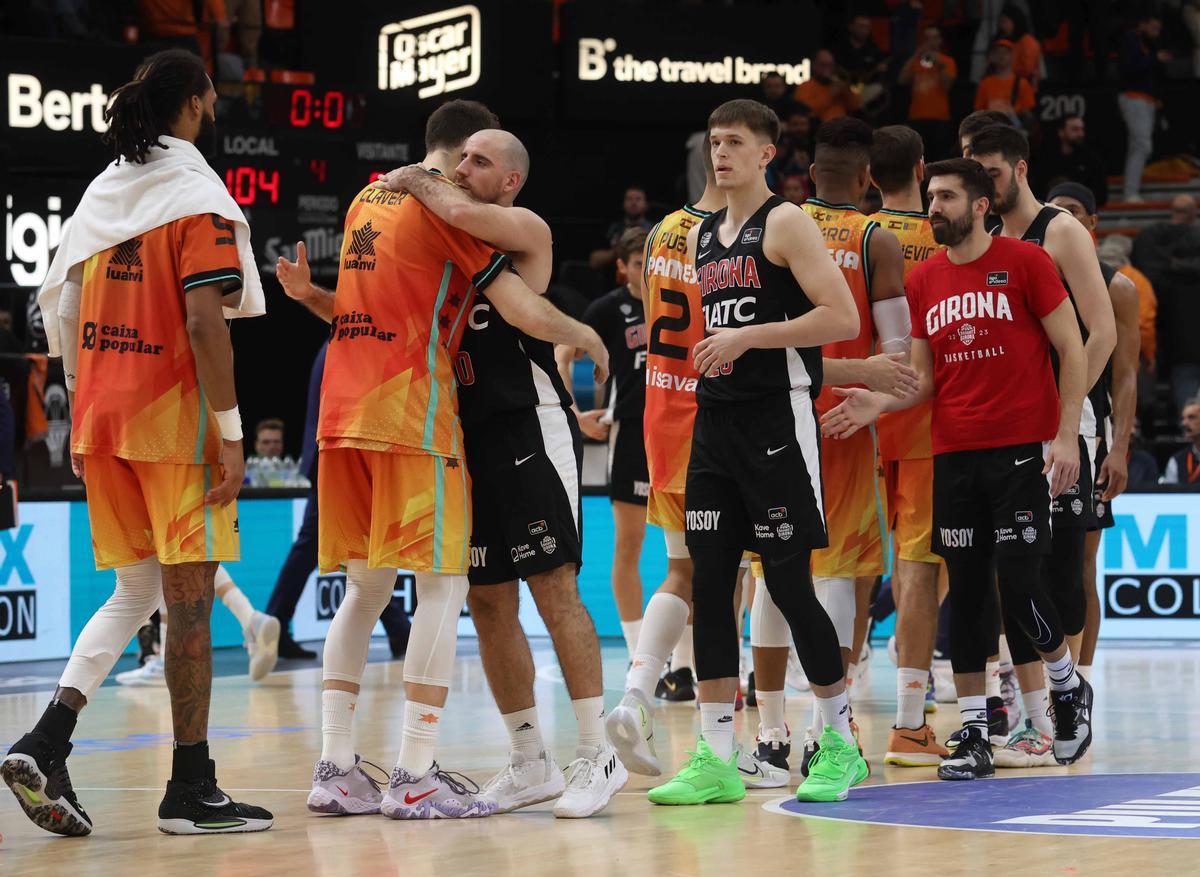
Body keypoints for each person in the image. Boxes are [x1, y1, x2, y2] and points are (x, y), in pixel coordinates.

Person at [280, 101, 602, 820]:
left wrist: (309, 296)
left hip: (368, 413)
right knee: (449, 591)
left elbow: (379, 306)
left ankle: (337, 766)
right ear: (452, 154)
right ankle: (417, 771)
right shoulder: (440, 209)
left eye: (479, 165)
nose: (464, 173)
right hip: (413, 416)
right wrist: (588, 331)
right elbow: (515, 306)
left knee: (376, 592)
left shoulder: (376, 199)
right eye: (464, 161)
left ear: (506, 173)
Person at [4, 49, 273, 835]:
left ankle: (46, 738)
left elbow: (60, 311)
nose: (215, 114)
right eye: (212, 101)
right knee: (190, 604)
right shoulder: (196, 199)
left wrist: (94, 403)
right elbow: (202, 322)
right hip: (170, 420)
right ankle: (190, 787)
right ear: (189, 105)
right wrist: (229, 434)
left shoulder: (103, 197)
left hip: (101, 417)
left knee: (138, 592)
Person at [821, 157, 1094, 781]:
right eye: (930, 197)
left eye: (945, 197)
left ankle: (1065, 682)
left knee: (1020, 587)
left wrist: (1066, 434)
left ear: (979, 205)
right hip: (954, 455)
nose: (933, 207)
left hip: (1021, 449)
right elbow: (922, 380)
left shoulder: (1027, 263)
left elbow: (1071, 348)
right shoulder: (925, 281)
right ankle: (972, 729)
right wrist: (875, 402)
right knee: (967, 597)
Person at [648, 98, 868, 806]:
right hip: (714, 429)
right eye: (714, 141)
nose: (721, 153)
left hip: (777, 424)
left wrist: (751, 337)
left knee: (789, 585)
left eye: (735, 141)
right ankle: (715, 755)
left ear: (768, 152)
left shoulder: (787, 220)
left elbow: (842, 317)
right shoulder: (702, 235)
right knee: (710, 587)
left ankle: (839, 741)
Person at [606, 144, 790, 782]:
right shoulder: (733, 236)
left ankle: (636, 693)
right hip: (720, 416)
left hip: (661, 413)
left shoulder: (662, 232)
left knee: (682, 571)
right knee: (752, 576)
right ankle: (760, 734)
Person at [968, 126, 1116, 768]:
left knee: (1057, 570)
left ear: (1020, 167)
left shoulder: (1059, 231)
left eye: (991, 170)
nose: (981, 182)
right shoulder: (984, 239)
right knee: (1013, 572)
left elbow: (1103, 331)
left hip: (1062, 421)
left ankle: (1066, 701)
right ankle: (1039, 706)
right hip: (1004, 428)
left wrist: (1065, 414)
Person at [796, 117, 911, 773]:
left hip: (777, 417)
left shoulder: (776, 226)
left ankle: (769, 735)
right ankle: (827, 733)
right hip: (846, 418)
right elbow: (896, 355)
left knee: (773, 575)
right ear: (868, 178)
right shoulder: (876, 238)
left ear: (810, 173)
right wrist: (872, 395)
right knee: (841, 573)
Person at [866, 125, 952, 767]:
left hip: (854, 422)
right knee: (922, 571)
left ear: (869, 176)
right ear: (923, 170)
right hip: (928, 424)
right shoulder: (946, 239)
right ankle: (908, 723)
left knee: (843, 571)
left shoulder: (855, 237)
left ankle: (821, 726)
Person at [260, 341, 412, 661]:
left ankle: (399, 629)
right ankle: (272, 625)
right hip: (337, 456)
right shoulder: (349, 342)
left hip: (331, 455)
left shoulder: (337, 340)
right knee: (341, 544)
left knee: (355, 544)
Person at [1046, 183, 1140, 675]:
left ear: (1091, 224)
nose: (1060, 219)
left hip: (1090, 433)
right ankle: (1034, 682)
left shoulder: (1116, 287)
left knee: (1080, 567)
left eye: (1072, 212)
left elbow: (1125, 375)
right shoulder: (1031, 273)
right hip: (1035, 431)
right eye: (1053, 210)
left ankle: (1080, 681)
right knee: (1027, 564)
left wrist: (1119, 448)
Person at [562, 228, 651, 662]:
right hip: (631, 432)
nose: (647, 270)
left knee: (695, 552)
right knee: (629, 545)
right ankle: (639, 654)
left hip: (683, 432)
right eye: (638, 263)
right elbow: (562, 354)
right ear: (622, 267)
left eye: (651, 261)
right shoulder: (608, 310)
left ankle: (689, 659)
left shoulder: (683, 301)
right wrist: (575, 416)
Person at [1132, 195, 1200, 415]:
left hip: (1164, 329)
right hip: (1186, 331)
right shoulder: (1194, 241)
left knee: (1183, 378)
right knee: (1185, 377)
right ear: (1193, 213)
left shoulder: (1146, 242)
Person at [1117, 13, 1169, 203]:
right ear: (1143, 24)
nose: (1157, 32)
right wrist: (1155, 58)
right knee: (1141, 145)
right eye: (1153, 27)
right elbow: (1129, 68)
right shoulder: (1131, 39)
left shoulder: (1149, 43)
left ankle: (1131, 191)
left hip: (1146, 99)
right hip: (1134, 98)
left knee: (1140, 146)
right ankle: (1130, 193)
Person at [898, 24, 958, 163]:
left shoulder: (948, 61)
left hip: (940, 118)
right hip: (917, 116)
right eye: (927, 38)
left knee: (940, 158)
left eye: (934, 38)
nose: (931, 42)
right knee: (917, 158)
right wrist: (915, 56)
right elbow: (901, 80)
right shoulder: (916, 61)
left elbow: (947, 85)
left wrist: (940, 65)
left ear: (940, 40)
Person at [1033, 116, 1108, 208]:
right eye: (1075, 129)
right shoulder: (1044, 159)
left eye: (1081, 129)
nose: (1081, 134)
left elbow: (1101, 196)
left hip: (1081, 212)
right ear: (1061, 132)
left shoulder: (1091, 160)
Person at [590, 186, 652, 271]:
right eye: (629, 199)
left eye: (638, 199)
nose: (633, 203)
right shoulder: (612, 229)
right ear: (623, 204)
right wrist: (616, 251)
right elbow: (594, 261)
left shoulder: (654, 231)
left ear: (646, 204)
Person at [974, 40, 1035, 122]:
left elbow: (1027, 113)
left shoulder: (1022, 83)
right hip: (992, 126)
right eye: (998, 52)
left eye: (1005, 52)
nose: (1001, 56)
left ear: (1012, 56)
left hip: (1014, 128)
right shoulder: (985, 83)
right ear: (993, 56)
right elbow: (979, 112)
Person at [794, 49, 861, 122]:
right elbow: (808, 113)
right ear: (814, 65)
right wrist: (831, 95)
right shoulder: (804, 87)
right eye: (823, 65)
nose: (827, 69)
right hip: (819, 129)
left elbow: (857, 106)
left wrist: (847, 92)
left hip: (843, 128)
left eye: (830, 65)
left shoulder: (839, 84)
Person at [996, 5, 1041, 92]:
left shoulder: (1028, 42)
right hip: (1004, 89)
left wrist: (1005, 70)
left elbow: (1027, 70)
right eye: (1001, 22)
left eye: (1004, 22)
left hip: (1024, 92)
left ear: (1015, 21)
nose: (1002, 26)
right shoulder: (1002, 40)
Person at [1162, 399, 1200, 485]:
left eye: (1191, 417)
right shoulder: (1176, 461)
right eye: (1183, 418)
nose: (1184, 423)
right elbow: (1170, 496)